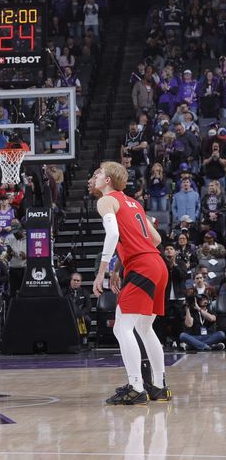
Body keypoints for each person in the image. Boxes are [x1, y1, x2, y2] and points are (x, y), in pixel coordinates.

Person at [89, 162, 171, 404]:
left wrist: (101, 271)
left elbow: (113, 234)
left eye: (99, 174)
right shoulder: (134, 204)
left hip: (142, 267)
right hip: (156, 265)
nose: (95, 176)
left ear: (109, 181)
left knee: (121, 327)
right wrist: (119, 267)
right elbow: (155, 239)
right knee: (144, 328)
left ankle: (136, 386)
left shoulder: (106, 200)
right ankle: (159, 386)